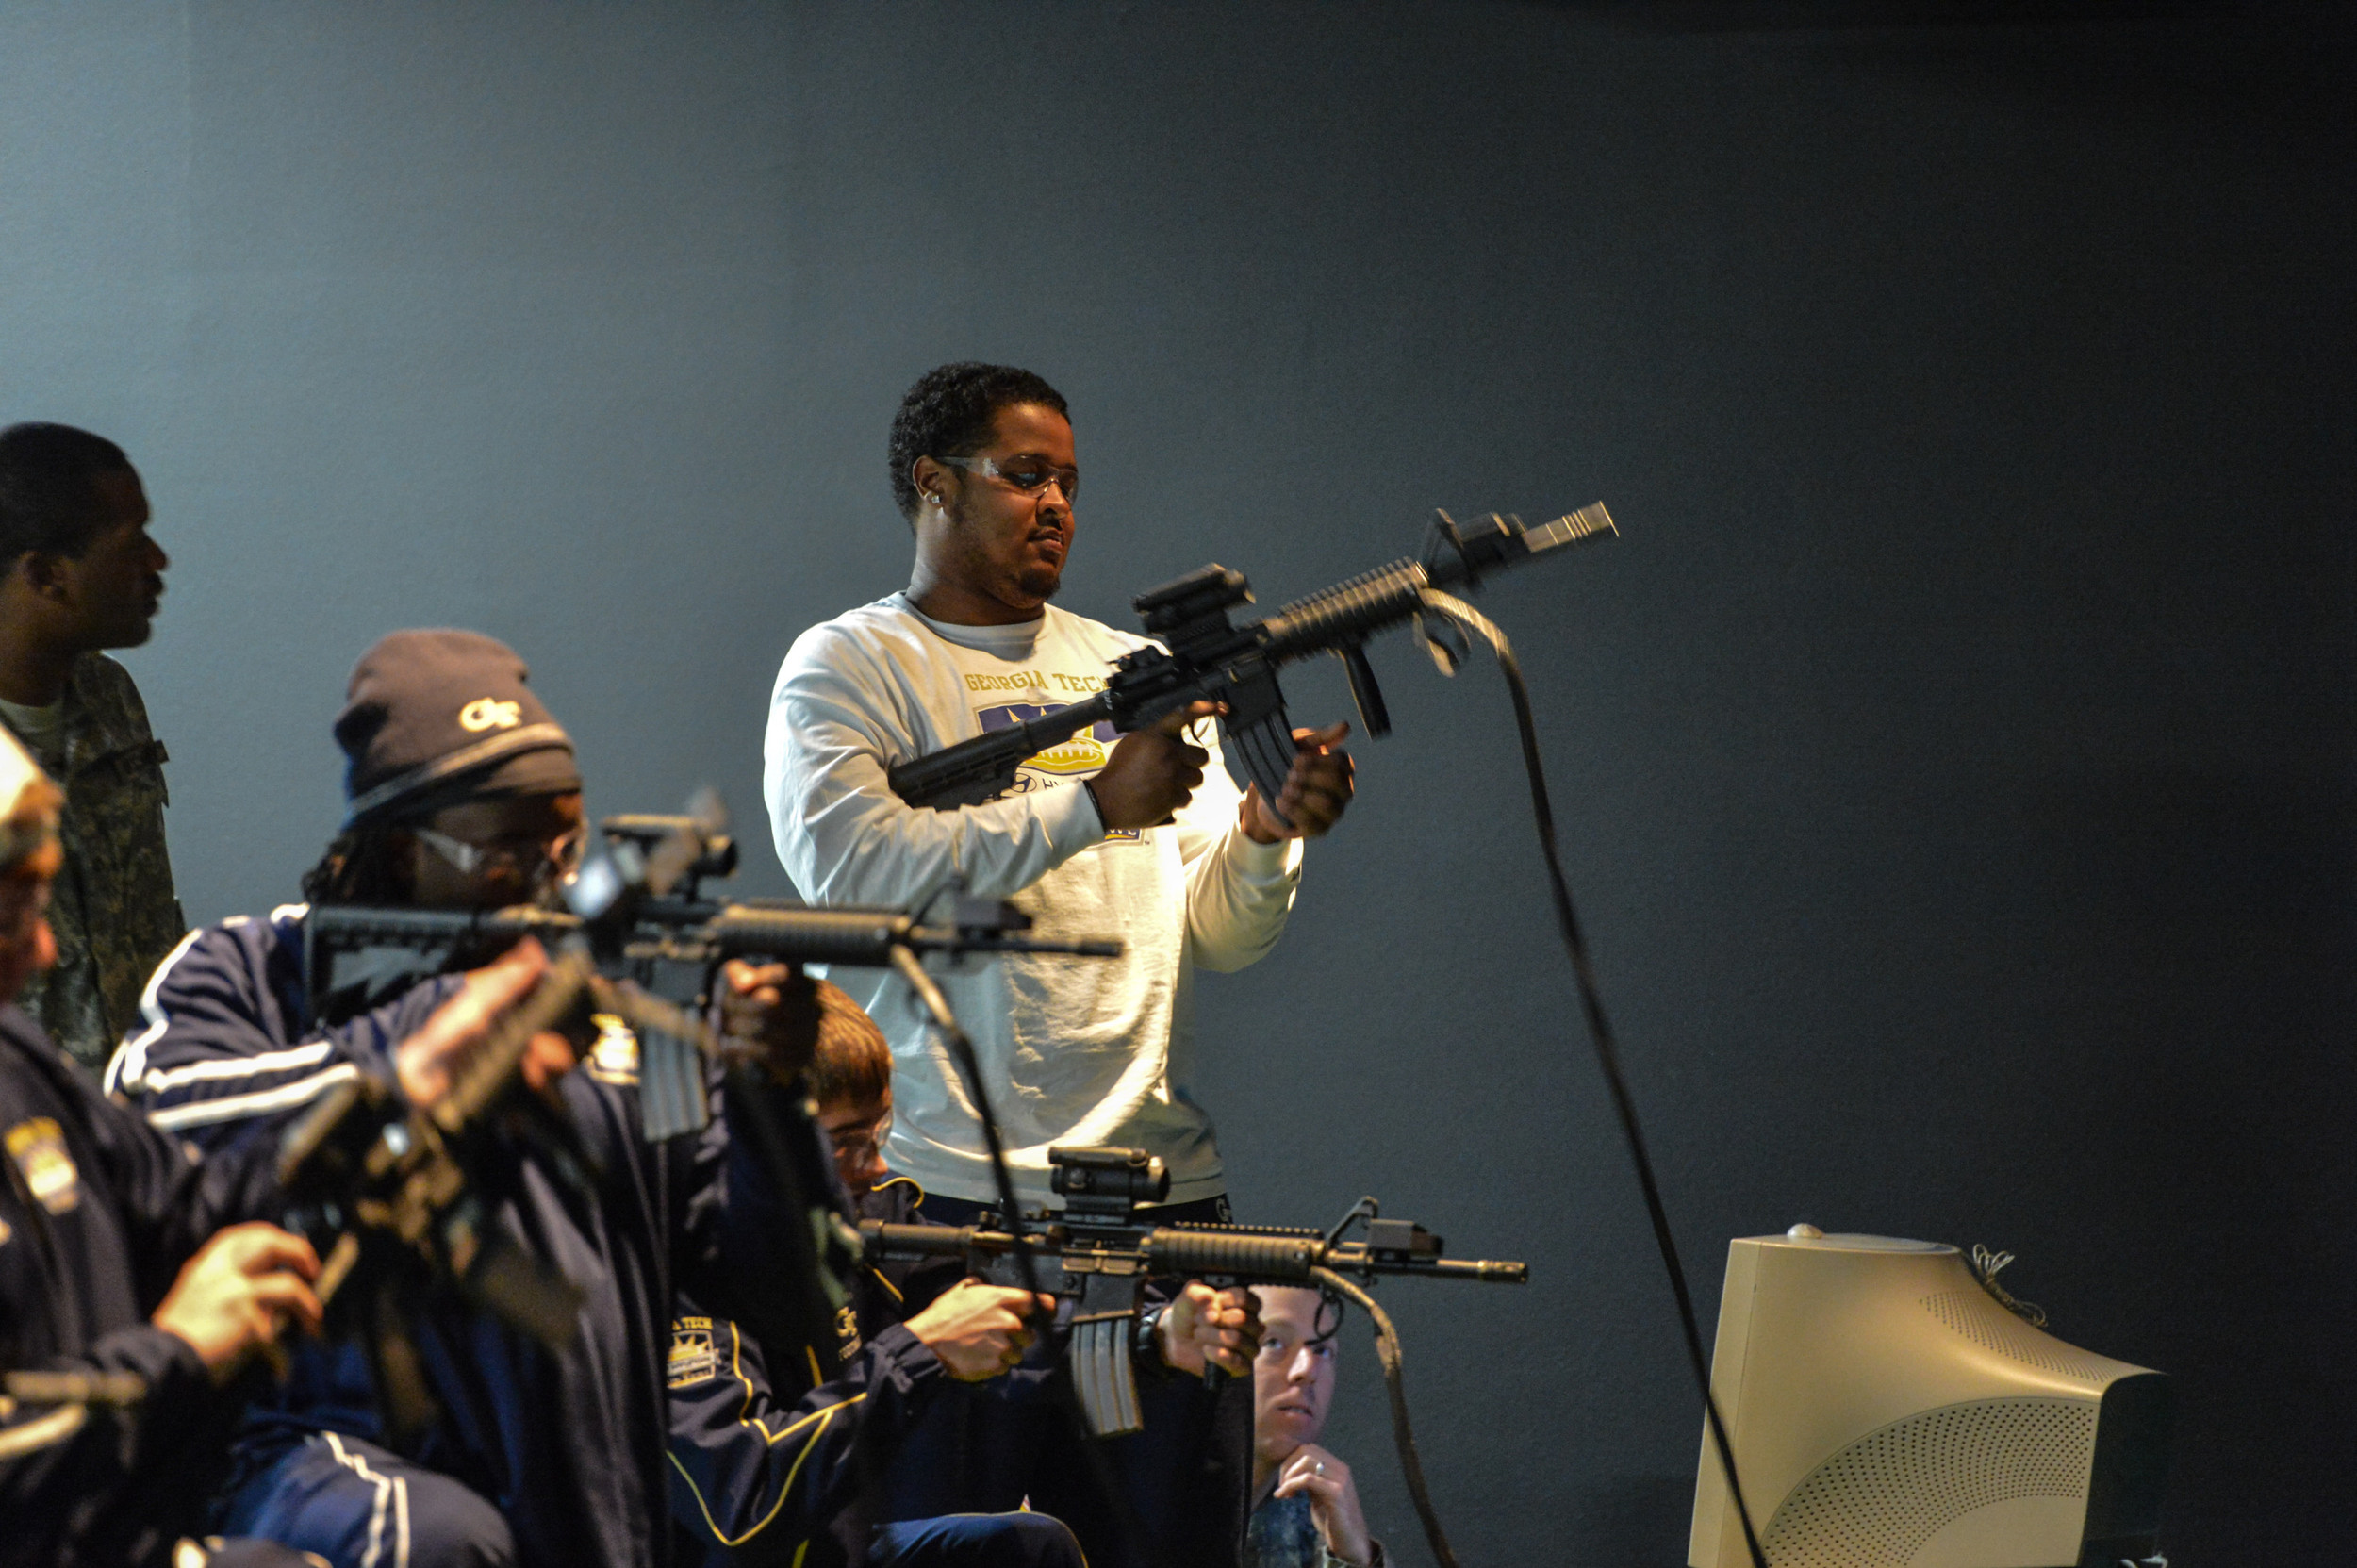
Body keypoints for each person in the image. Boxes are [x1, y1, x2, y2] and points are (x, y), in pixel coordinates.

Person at [108, 629, 826, 1568]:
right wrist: (421, 1041)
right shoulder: (253, 972)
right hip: (339, 1503)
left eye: (566, 846)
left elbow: (782, 1301)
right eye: (509, 854)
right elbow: (143, 1143)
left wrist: (773, 1098)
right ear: (403, 850)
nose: (551, 884)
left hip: (588, 1521)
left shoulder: (626, 1021)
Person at [764, 362, 1356, 1223]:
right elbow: (853, 879)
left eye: (1068, 484)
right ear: (935, 484)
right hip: (942, 1184)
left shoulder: (1136, 670)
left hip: (1156, 1180)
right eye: (1026, 475)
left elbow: (1221, 937)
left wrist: (1264, 833)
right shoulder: (851, 664)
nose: (1055, 506)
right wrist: (1095, 805)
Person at [0, 720, 417, 1568]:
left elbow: (187, 1200)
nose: (46, 952)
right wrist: (175, 1354)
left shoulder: (15, 1061)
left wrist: (398, 1102)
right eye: (15, 914)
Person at [663, 982, 1261, 1567]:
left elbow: (1013, 1320)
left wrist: (1154, 1337)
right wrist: (918, 1352)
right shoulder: (680, 1273)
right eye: (845, 1143)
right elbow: (741, 1504)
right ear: (751, 1141)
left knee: (1028, 1549)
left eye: (879, 1131)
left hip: (835, 1552)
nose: (876, 1164)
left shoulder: (869, 1219)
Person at [0, 422, 181, 1069]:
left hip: (130, 1103)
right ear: (48, 575)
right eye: (131, 544)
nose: (157, 562)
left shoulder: (110, 695)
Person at [1245, 1286, 1381, 1568]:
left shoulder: (1316, 1516)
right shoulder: (1156, 1490)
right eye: (1273, 1343)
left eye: (1322, 1351)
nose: (1307, 1370)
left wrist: (1354, 1558)